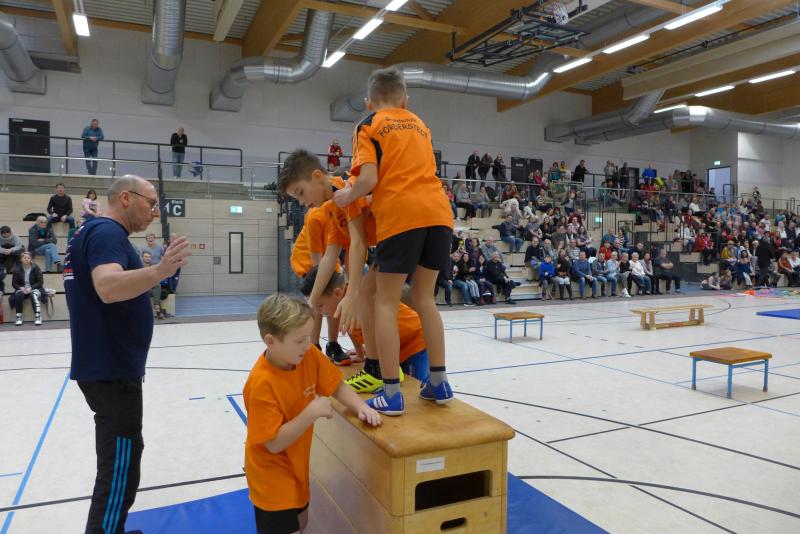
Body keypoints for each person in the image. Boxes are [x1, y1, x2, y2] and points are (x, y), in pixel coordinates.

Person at [65, 175, 190, 534]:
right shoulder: (107, 233)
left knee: (123, 459)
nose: (155, 211)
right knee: (118, 468)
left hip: (108, 367)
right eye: (151, 203)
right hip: (112, 370)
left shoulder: (93, 232)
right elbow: (107, 287)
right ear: (125, 197)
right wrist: (161, 271)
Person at [341, 67, 455, 415]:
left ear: (368, 102)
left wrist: (347, 195)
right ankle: (439, 382)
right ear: (405, 100)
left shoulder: (369, 124)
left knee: (385, 303)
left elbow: (368, 179)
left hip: (401, 215)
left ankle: (391, 392)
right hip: (439, 213)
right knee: (425, 299)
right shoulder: (420, 124)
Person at [243, 294, 380, 534]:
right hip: (270, 474)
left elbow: (335, 385)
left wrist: (361, 407)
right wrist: (311, 412)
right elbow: (273, 443)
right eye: (299, 340)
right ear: (270, 341)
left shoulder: (307, 355)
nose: (307, 345)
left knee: (302, 522)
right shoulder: (261, 384)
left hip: (297, 462)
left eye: (308, 337)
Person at [278, 150, 373, 366]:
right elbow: (331, 254)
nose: (302, 202)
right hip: (316, 264)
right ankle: (362, 356)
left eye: (301, 193)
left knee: (365, 301)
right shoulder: (330, 206)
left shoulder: (345, 191)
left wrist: (351, 291)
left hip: (398, 235)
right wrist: (313, 300)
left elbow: (357, 244)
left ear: (318, 176)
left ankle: (376, 364)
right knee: (344, 303)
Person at [303, 267, 431, 391]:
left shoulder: (358, 300)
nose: (318, 311)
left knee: (414, 389)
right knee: (396, 385)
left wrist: (375, 357)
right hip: (395, 348)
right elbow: (351, 329)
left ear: (337, 293)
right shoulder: (343, 303)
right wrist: (360, 354)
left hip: (414, 343)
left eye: (320, 305)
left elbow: (379, 331)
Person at [11, 251, 44, 326]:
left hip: (35, 288)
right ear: (21, 259)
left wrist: (31, 288)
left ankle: (38, 316)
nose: (26, 259)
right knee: (18, 295)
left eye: (28, 258)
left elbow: (40, 282)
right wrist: (20, 288)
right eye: (25, 258)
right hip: (23, 289)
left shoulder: (36, 268)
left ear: (31, 259)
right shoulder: (17, 269)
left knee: (33, 294)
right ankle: (19, 316)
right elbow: (14, 283)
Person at [141, 251, 166, 319]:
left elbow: (156, 278)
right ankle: (158, 310)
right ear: (142, 257)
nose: (148, 258)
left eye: (149, 257)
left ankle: (157, 306)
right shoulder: (139, 267)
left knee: (157, 288)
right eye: (146, 257)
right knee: (157, 289)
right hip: (141, 288)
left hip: (151, 288)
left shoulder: (153, 267)